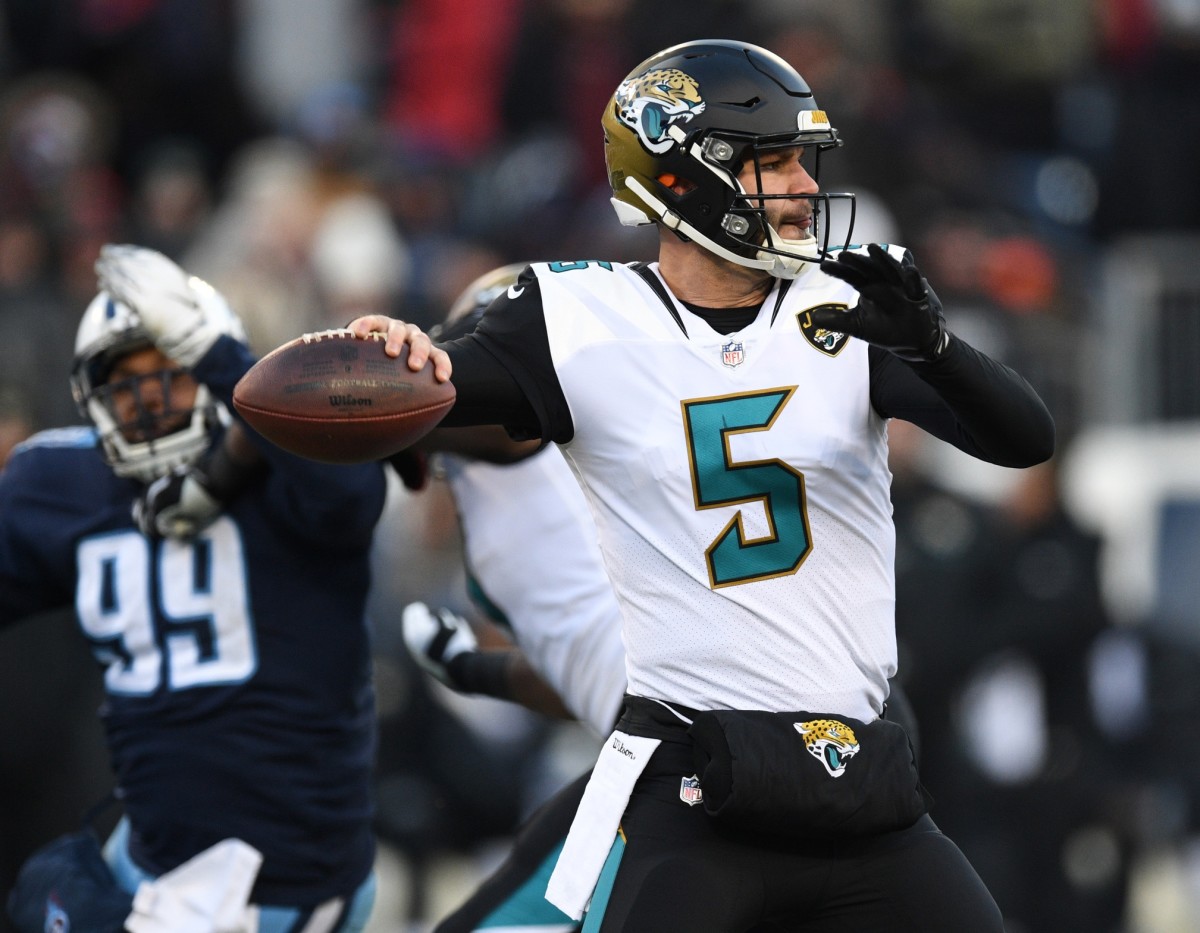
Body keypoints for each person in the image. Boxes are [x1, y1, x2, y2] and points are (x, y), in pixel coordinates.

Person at [324, 39, 1054, 931]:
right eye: (773, 162)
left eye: (799, 160)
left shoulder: (844, 308)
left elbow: (1025, 440)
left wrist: (932, 347)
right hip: (695, 791)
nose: (803, 186)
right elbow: (410, 391)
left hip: (856, 781)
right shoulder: (580, 319)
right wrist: (400, 364)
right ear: (683, 179)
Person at [0, 246, 387, 931]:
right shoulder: (61, 484)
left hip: (286, 874)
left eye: (173, 373)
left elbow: (351, 482)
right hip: (152, 852)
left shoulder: (289, 466)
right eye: (127, 384)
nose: (150, 404)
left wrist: (220, 355)